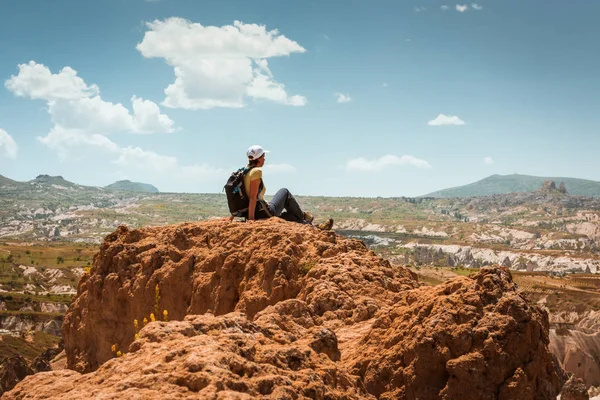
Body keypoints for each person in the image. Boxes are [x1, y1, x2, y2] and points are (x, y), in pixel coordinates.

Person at [243, 145, 333, 230]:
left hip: (256, 211)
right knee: (284, 192)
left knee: (291, 217)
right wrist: (251, 219)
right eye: (263, 156)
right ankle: (304, 216)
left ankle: (315, 228)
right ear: (258, 158)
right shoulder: (256, 172)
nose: (264, 159)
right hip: (262, 212)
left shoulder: (245, 171)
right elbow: (252, 196)